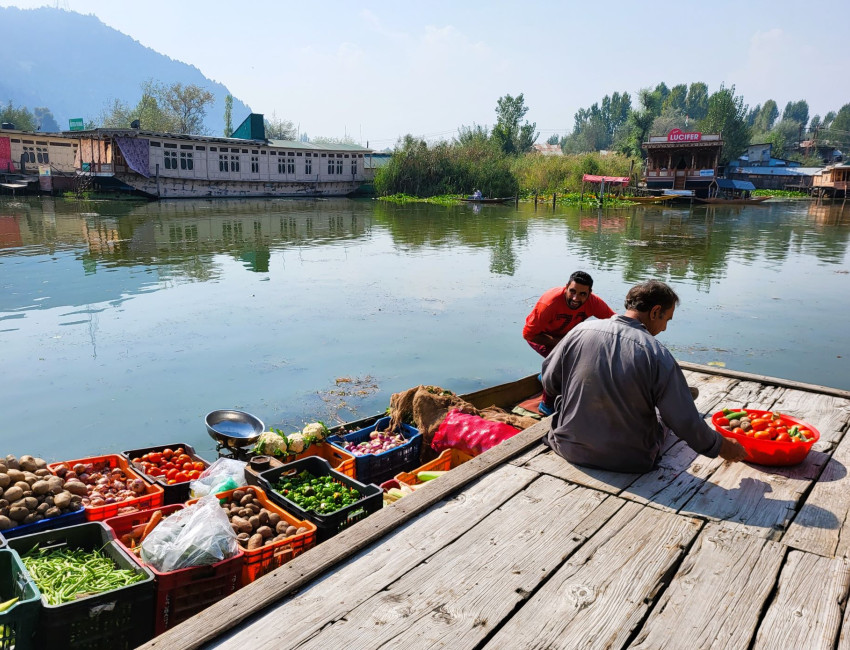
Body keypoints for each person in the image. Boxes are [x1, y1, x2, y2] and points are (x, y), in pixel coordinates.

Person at [541, 279, 747, 473]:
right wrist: (722, 446)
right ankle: (675, 395)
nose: (664, 327)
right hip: (630, 460)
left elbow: (550, 382)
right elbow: (685, 423)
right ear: (656, 312)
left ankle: (674, 395)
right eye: (667, 319)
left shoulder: (580, 330)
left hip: (568, 447)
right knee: (664, 415)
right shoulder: (656, 352)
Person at [523, 271, 615, 415]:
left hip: (565, 338)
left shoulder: (594, 302)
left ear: (589, 293)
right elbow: (528, 334)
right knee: (564, 363)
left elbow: (614, 321)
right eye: (572, 291)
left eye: (582, 294)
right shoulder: (549, 303)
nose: (575, 298)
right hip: (540, 336)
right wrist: (558, 343)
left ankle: (545, 376)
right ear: (566, 287)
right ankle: (546, 405)